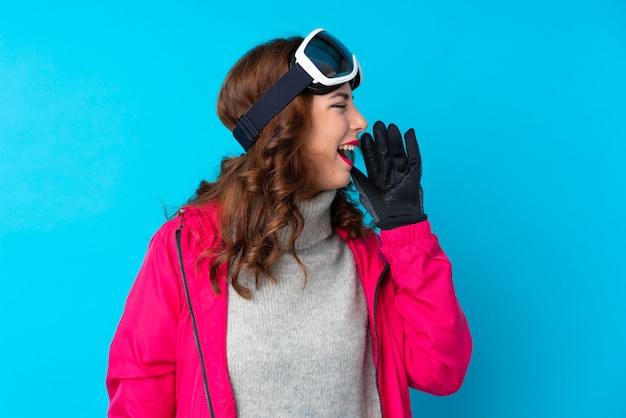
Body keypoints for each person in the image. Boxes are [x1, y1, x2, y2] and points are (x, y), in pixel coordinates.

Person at [106, 28, 472, 417]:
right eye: (339, 105)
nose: (360, 121)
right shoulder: (187, 246)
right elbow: (141, 388)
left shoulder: (365, 257)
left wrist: (406, 231)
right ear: (287, 123)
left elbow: (441, 371)